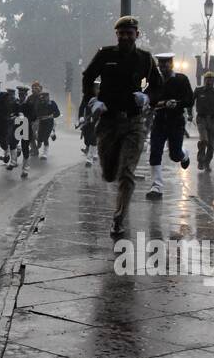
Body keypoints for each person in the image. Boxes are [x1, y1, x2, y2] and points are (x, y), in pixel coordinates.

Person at [81, 16, 164, 236]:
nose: (125, 37)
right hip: (108, 121)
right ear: (116, 35)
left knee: (127, 172)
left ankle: (119, 217)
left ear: (137, 34)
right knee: (109, 173)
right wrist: (92, 100)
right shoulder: (105, 55)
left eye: (130, 33)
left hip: (133, 122)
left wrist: (147, 98)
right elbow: (88, 76)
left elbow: (157, 85)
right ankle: (114, 183)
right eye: (121, 33)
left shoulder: (145, 59)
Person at [146, 53, 193, 199]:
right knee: (155, 151)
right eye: (161, 63)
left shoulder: (181, 79)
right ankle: (156, 186)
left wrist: (177, 103)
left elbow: (189, 100)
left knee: (174, 155)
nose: (163, 66)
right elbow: (149, 99)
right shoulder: (155, 81)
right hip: (159, 121)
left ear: (171, 64)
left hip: (176, 122)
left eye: (166, 63)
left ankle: (184, 155)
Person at [193, 71, 214, 172]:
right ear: (204, 80)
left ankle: (207, 163)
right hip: (201, 118)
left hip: (212, 119)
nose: (209, 81)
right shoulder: (198, 91)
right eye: (207, 79)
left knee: (211, 145)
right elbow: (190, 102)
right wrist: (188, 114)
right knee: (204, 140)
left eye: (211, 79)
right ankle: (201, 159)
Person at [9, 83, 36, 177]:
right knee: (12, 143)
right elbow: (12, 112)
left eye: (22, 95)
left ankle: (25, 170)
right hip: (17, 126)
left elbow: (34, 116)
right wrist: (13, 116)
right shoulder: (15, 103)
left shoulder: (29, 104)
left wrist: (25, 117)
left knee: (25, 149)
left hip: (26, 127)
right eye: (19, 94)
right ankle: (13, 161)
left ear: (25, 95)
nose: (21, 96)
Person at [32, 82, 61, 159]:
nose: (44, 98)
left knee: (45, 137)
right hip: (42, 122)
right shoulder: (40, 104)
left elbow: (58, 113)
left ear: (48, 97)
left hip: (50, 122)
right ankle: (52, 134)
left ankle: (45, 153)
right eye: (43, 97)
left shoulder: (52, 103)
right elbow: (37, 112)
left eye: (45, 97)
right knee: (40, 138)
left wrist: (52, 115)